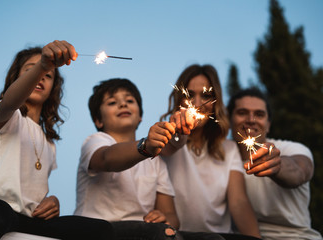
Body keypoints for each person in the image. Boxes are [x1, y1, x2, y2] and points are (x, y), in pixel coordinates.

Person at [0, 40, 113, 240]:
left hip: (31, 221)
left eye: (48, 74)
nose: (41, 76)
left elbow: (33, 194)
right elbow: (9, 102)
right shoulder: (8, 116)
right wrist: (43, 65)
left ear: (54, 88)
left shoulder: (49, 143)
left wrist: (52, 201)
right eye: (30, 70)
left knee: (101, 229)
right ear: (16, 79)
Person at [74, 78, 223, 240]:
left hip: (145, 232)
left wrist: (163, 218)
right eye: (112, 103)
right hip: (100, 231)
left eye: (129, 100)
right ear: (98, 120)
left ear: (140, 117)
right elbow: (107, 158)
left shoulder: (156, 161)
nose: (123, 104)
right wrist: (146, 146)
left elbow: (171, 216)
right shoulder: (95, 141)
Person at [160, 64, 261, 240]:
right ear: (179, 99)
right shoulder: (166, 140)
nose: (197, 104)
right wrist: (178, 131)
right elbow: (171, 146)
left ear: (216, 103)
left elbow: (238, 202)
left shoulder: (229, 149)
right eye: (189, 95)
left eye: (206, 96)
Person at [227, 87, 323, 240]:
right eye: (242, 112)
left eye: (259, 114)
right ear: (229, 120)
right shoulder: (222, 157)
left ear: (269, 124)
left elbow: (299, 171)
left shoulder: (291, 149)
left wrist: (277, 166)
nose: (251, 120)